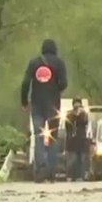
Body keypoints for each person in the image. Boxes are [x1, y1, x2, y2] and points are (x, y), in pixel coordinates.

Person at [20, 38, 68, 183]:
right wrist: (55, 89)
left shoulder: (34, 63)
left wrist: (24, 101)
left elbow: (25, 82)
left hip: (37, 105)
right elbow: (64, 83)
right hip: (53, 106)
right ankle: (51, 171)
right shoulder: (59, 63)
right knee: (53, 138)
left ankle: (40, 170)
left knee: (38, 137)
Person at [64, 98, 91, 182]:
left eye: (78, 104)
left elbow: (85, 122)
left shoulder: (84, 114)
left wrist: (80, 114)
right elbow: (67, 125)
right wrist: (74, 115)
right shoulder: (69, 114)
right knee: (72, 159)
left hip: (81, 140)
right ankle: (70, 176)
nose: (77, 106)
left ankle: (80, 176)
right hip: (72, 141)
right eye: (75, 104)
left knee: (81, 159)